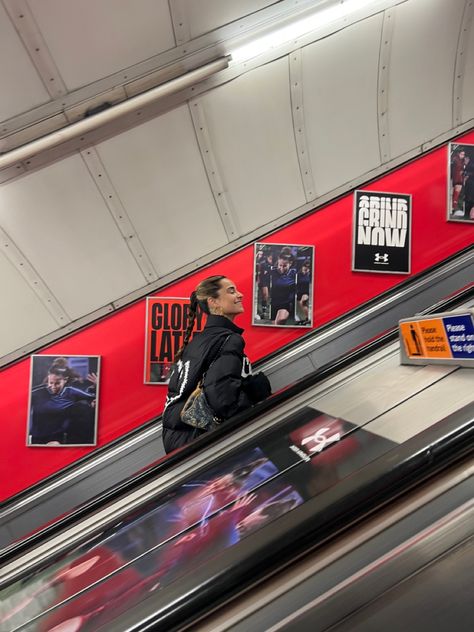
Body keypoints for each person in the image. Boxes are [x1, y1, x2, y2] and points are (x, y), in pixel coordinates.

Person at [162, 275, 271, 453]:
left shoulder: (199, 341)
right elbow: (223, 400)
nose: (240, 295)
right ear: (214, 302)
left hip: (181, 439)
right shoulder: (227, 339)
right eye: (231, 291)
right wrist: (254, 393)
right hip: (199, 439)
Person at [29, 357, 97, 445]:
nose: (53, 386)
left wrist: (97, 386)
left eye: (57, 383)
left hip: (57, 436)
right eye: (51, 383)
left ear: (65, 380)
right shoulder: (36, 393)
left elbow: (93, 397)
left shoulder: (70, 392)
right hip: (36, 436)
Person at [269, 252, 297, 325]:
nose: (281, 268)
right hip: (274, 304)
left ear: (290, 264)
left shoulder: (294, 273)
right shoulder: (273, 272)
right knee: (275, 327)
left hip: (286, 304)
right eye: (280, 265)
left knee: (279, 321)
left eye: (284, 266)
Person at [450, 147, 466, 216]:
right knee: (456, 195)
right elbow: (457, 170)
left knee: (455, 195)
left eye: (463, 154)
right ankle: (453, 208)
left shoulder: (459, 160)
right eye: (462, 154)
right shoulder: (456, 160)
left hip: (458, 179)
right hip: (458, 179)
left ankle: (453, 208)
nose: (463, 156)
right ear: (458, 154)